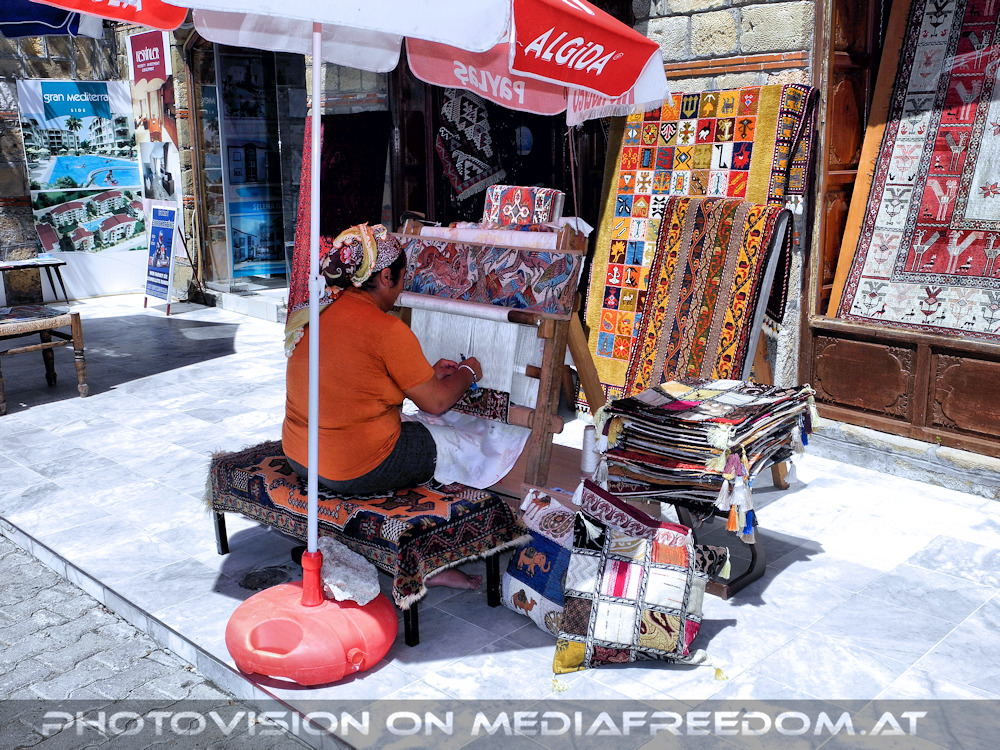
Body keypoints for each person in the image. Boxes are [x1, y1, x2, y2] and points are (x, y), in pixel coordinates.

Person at [282, 223, 483, 589]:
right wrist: (469, 371)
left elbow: (357, 379)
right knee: (452, 440)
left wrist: (424, 374)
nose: (402, 289)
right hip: (353, 469)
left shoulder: (317, 313)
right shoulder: (386, 329)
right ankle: (428, 558)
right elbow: (437, 403)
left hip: (301, 456)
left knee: (405, 420)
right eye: (402, 279)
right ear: (387, 276)